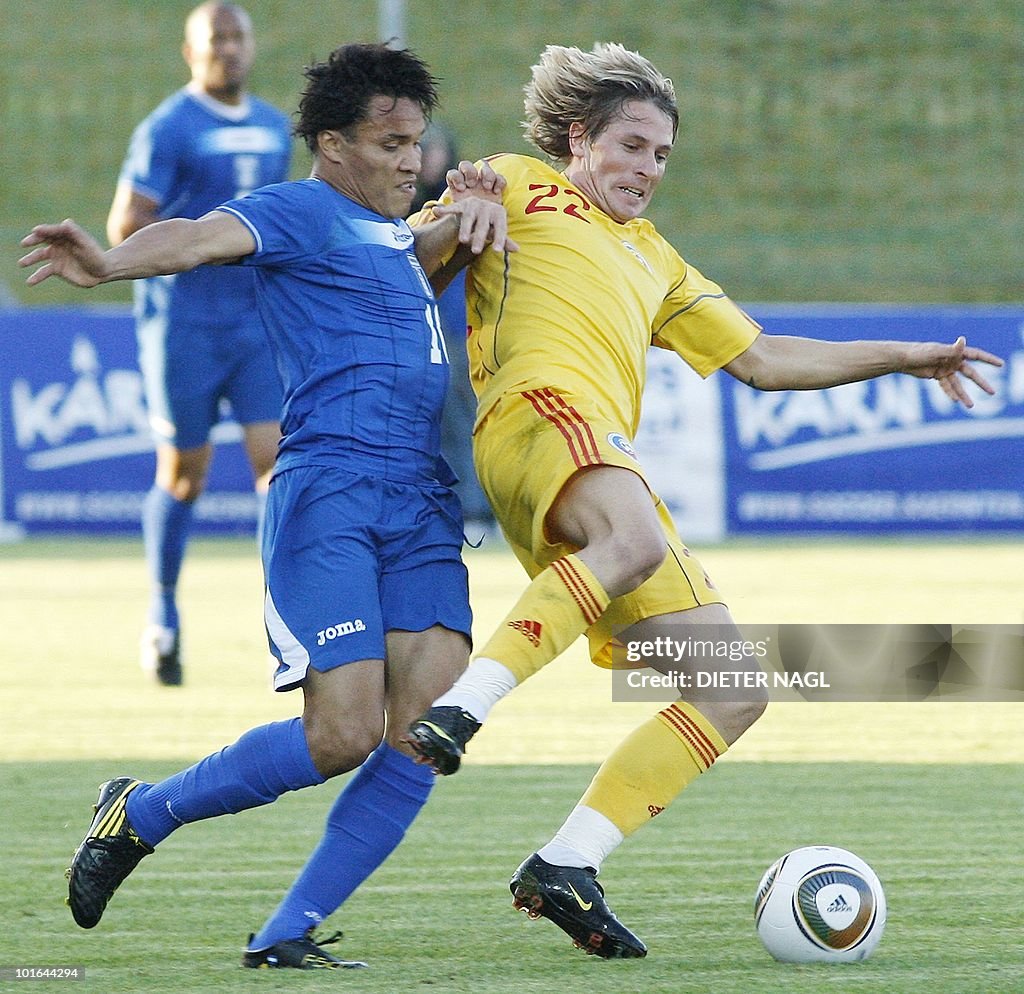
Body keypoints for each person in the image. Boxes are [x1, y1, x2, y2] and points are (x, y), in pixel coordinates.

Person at [402, 42, 1004, 959]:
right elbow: (407, 270)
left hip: (593, 458)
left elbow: (763, 359)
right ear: (581, 138)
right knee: (635, 538)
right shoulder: (515, 180)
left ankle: (567, 863)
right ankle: (464, 705)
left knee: (732, 687)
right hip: (535, 416)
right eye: (634, 146)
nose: (648, 169)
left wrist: (910, 354)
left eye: (662, 155)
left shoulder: (659, 262)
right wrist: (459, 213)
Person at [21, 42, 512, 969]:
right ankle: (143, 812)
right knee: (342, 734)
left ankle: (286, 933)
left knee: (427, 727)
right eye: (392, 142)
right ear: (332, 144)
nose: (415, 161)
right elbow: (200, 235)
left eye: (419, 143)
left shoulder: (400, 235)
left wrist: (476, 201)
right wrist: (108, 262)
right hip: (329, 491)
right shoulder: (301, 210)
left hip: (421, 504)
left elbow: (423, 265)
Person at [109, 2, 291, 685]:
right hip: (182, 325)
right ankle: (162, 615)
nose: (228, 49)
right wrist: (193, 249)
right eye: (214, 39)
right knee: (183, 474)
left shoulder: (275, 127)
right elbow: (127, 220)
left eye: (237, 36)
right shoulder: (169, 127)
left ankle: (286, 615)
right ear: (190, 53)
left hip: (253, 325)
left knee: (275, 468)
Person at [412, 123, 497, 539]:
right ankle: (461, 503)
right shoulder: (413, 206)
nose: (423, 159)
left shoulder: (451, 204)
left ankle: (476, 506)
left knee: (462, 409)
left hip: (453, 316)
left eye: (431, 150)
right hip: (434, 313)